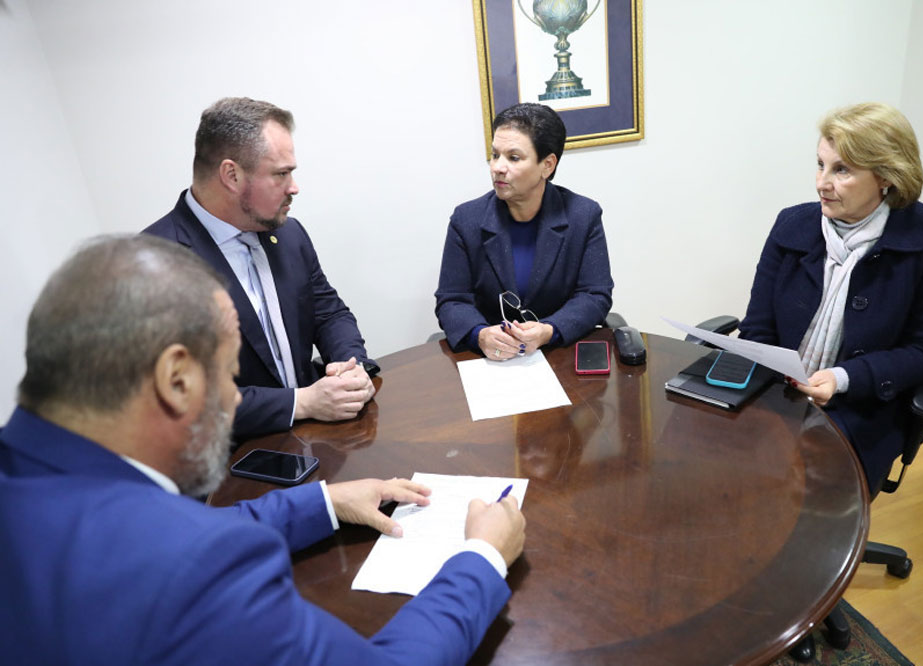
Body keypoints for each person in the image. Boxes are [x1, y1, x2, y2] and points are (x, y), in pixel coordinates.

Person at [0, 235, 526, 665]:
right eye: (229, 375)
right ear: (175, 379)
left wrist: (325, 502)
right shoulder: (196, 568)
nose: (234, 398)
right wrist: (481, 558)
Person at [739, 102, 923, 494]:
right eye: (820, 164)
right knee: (712, 458)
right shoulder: (793, 224)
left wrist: (844, 379)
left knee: (806, 496)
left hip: (862, 404)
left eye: (841, 170)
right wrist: (772, 373)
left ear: (886, 176)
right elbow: (758, 327)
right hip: (779, 391)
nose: (821, 183)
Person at [145, 97, 377, 441]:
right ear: (232, 175)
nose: (294, 187)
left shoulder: (289, 234)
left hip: (316, 440)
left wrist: (351, 366)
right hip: (233, 464)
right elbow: (186, 401)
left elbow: (328, 313)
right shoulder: (153, 265)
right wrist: (301, 403)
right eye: (281, 174)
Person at [434, 102, 614, 359]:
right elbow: (452, 300)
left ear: (547, 165)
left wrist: (549, 330)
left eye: (514, 157)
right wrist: (480, 334)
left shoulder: (583, 216)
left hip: (557, 353)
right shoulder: (467, 220)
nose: (497, 166)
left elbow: (594, 294)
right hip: (491, 358)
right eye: (495, 155)